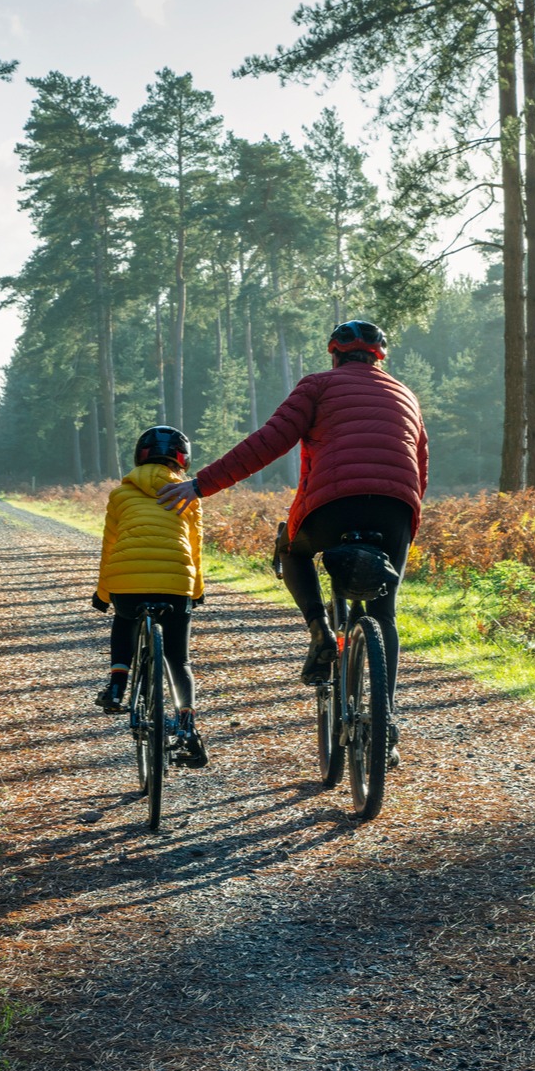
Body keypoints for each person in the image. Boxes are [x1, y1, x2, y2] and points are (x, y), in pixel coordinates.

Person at [157, 320, 427, 765]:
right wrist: (404, 526)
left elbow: (269, 442)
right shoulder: (405, 394)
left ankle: (320, 629)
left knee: (292, 548)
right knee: (384, 613)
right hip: (395, 508)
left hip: (331, 507)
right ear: (379, 357)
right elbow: (420, 465)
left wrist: (201, 485)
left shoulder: (318, 386)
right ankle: (387, 724)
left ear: (334, 354)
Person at [91, 425, 208, 769]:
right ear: (182, 459)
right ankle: (186, 725)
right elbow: (196, 548)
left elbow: (109, 547)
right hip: (176, 585)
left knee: (124, 618)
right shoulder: (188, 494)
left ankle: (116, 686)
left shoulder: (119, 495)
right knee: (178, 659)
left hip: (127, 583)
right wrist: (196, 591)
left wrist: (103, 594)